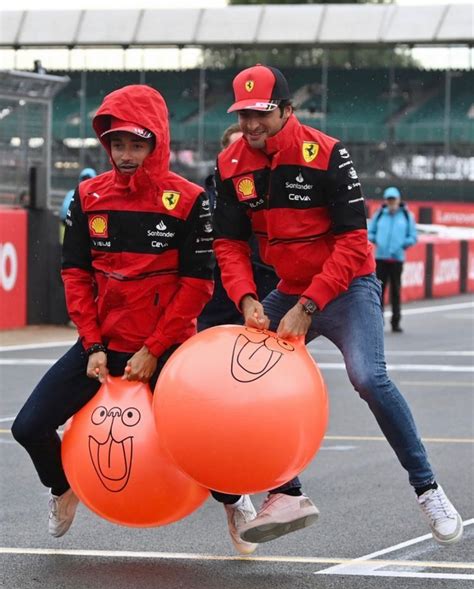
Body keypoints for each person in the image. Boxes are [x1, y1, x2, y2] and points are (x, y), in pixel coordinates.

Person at [211, 63, 463, 552]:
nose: (252, 125)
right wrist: (246, 298)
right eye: (243, 115)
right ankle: (284, 492)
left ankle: (429, 489)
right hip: (288, 288)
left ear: (287, 111)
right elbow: (228, 245)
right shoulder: (230, 163)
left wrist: (308, 305)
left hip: (348, 286)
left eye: (261, 113)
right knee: (242, 379)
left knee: (368, 377)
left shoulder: (326, 154)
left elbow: (352, 244)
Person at [11, 85, 214, 539]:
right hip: (103, 344)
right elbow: (76, 275)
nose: (125, 154)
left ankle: (233, 499)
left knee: (206, 438)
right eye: (117, 144)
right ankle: (62, 488)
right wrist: (93, 344)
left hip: (166, 348)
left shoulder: (188, 199)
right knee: (28, 427)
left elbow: (198, 285)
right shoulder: (87, 196)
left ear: (156, 143)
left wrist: (155, 349)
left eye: (136, 145)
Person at [198, 123, 279, 331]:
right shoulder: (201, 199)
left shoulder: (269, 190)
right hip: (216, 292)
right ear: (225, 153)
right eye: (237, 148)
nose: (244, 155)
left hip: (261, 281)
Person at [368, 187, 418, 333]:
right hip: (381, 258)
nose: (391, 202)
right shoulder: (379, 214)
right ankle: (378, 320)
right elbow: (371, 232)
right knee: (379, 292)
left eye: (393, 199)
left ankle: (396, 321)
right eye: (388, 199)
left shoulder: (407, 216)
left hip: (397, 259)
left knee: (395, 291)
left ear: (398, 200)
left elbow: (413, 236)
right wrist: (378, 240)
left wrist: (402, 244)